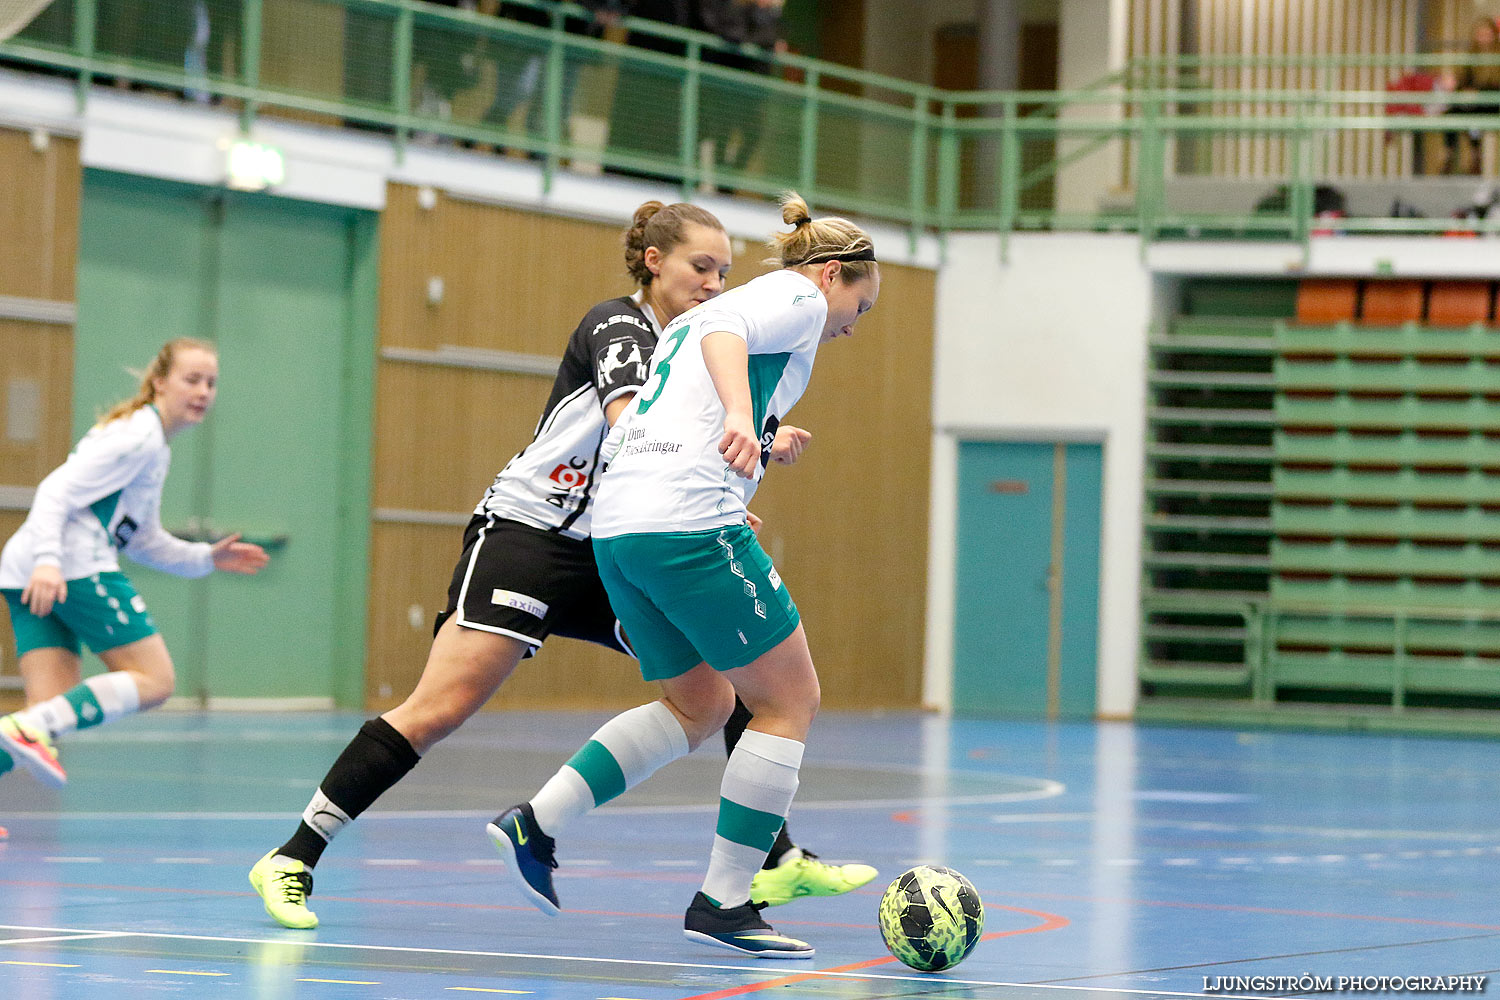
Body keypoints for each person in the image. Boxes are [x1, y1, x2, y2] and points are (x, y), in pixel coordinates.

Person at [246, 200, 866, 931]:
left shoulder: (692, 342)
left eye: (725, 272)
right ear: (653, 261)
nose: (713, 283)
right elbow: (629, 421)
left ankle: (768, 861)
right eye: (701, 267)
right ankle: (295, 853)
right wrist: (705, 469)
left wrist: (754, 446)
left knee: (724, 684)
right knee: (440, 707)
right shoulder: (621, 326)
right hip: (532, 535)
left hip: (612, 541)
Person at [489, 192, 880, 959]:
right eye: (858, 309)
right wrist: (742, 415)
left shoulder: (696, 321)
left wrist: (757, 445)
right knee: (789, 700)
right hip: (684, 524)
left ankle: (538, 821)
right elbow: (730, 341)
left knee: (700, 703)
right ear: (832, 275)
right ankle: (726, 899)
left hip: (623, 527)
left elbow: (666, 413)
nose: (850, 326)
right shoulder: (794, 295)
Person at [0, 339, 270, 788]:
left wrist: (205, 557)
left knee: (48, 713)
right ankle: (26, 728)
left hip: (25, 567)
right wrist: (49, 562)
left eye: (211, 383)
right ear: (160, 382)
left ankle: (26, 729)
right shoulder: (138, 437)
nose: (203, 391)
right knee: (155, 679)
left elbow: (142, 541)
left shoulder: (152, 444)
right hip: (68, 566)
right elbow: (55, 491)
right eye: (192, 380)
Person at [1442, 15, 1500, 174]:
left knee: (1474, 118)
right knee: (1452, 114)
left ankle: (1476, 157)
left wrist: (1478, 93)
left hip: (1493, 103)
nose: (1483, 37)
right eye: (1480, 34)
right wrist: (1454, 82)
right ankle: (1449, 155)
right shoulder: (1471, 55)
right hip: (1474, 105)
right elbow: (1462, 78)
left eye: (1486, 33)